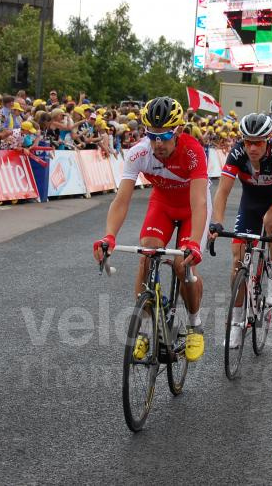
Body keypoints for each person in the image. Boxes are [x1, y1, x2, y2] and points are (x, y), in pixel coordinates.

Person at [92, 96, 210, 362]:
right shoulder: (139, 153)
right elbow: (121, 200)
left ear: (178, 130)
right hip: (164, 205)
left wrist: (192, 244)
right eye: (152, 135)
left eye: (165, 136)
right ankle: (146, 329)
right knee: (147, 256)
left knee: (183, 265)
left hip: (192, 208)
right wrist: (109, 236)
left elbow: (200, 202)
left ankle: (195, 324)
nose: (158, 143)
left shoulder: (193, 152)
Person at [208, 113, 272, 335]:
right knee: (237, 256)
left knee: (271, 225)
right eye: (248, 142)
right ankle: (237, 321)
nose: (252, 148)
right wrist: (217, 222)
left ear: (268, 140)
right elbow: (222, 191)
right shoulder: (236, 153)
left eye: (257, 143)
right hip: (251, 202)